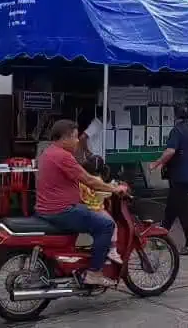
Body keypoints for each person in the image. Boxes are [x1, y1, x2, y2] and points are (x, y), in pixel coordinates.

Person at [36, 119, 128, 287]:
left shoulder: (48, 152)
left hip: (48, 209)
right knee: (106, 225)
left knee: (91, 215)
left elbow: (83, 178)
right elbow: (87, 179)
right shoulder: (62, 156)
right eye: (75, 137)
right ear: (65, 138)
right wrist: (113, 189)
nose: (78, 141)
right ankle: (94, 272)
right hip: (61, 211)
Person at [149, 105, 188, 255]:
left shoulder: (176, 131)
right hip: (187, 176)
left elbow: (170, 151)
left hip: (177, 176)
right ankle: (160, 238)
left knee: (184, 211)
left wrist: (157, 163)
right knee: (171, 209)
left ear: (175, 116)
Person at [79, 155, 122, 264]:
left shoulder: (83, 179)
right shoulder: (97, 181)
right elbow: (106, 193)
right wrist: (115, 189)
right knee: (112, 225)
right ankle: (112, 250)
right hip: (96, 209)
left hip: (85, 208)